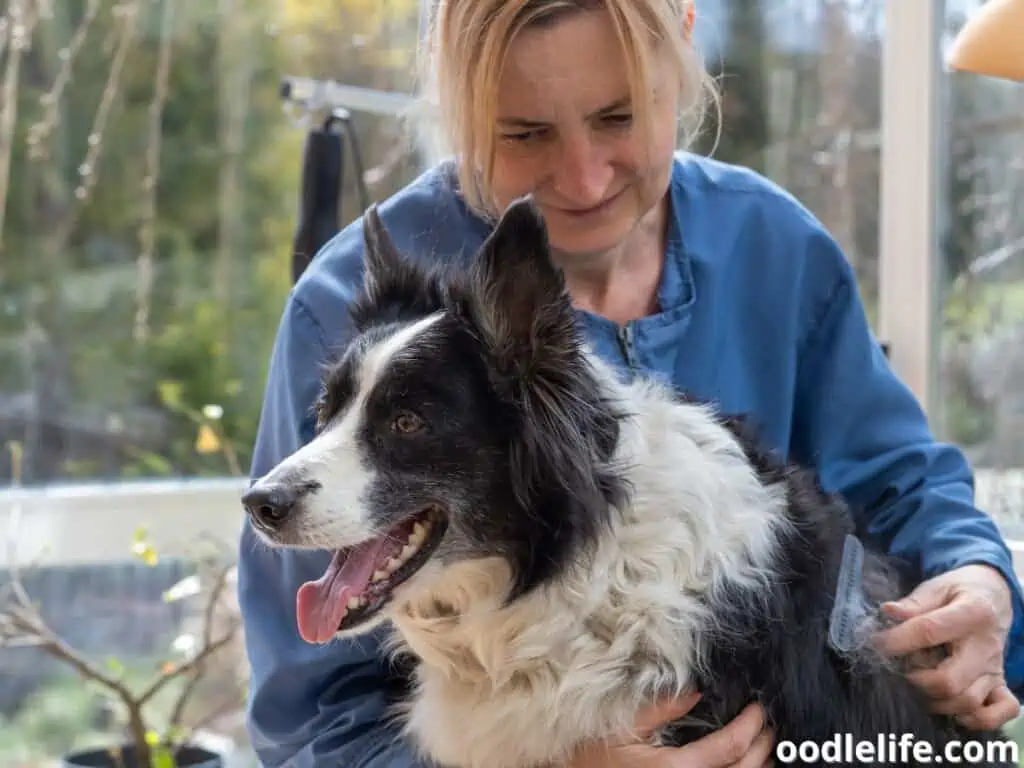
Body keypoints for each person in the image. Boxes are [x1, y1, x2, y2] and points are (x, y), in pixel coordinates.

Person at [237, 1, 1024, 765]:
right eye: (525, 132)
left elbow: (897, 483)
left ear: (683, 50)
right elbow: (311, 724)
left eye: (619, 117)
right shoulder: (346, 305)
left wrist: (978, 579)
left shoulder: (775, 245)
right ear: (458, 100)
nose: (582, 179)